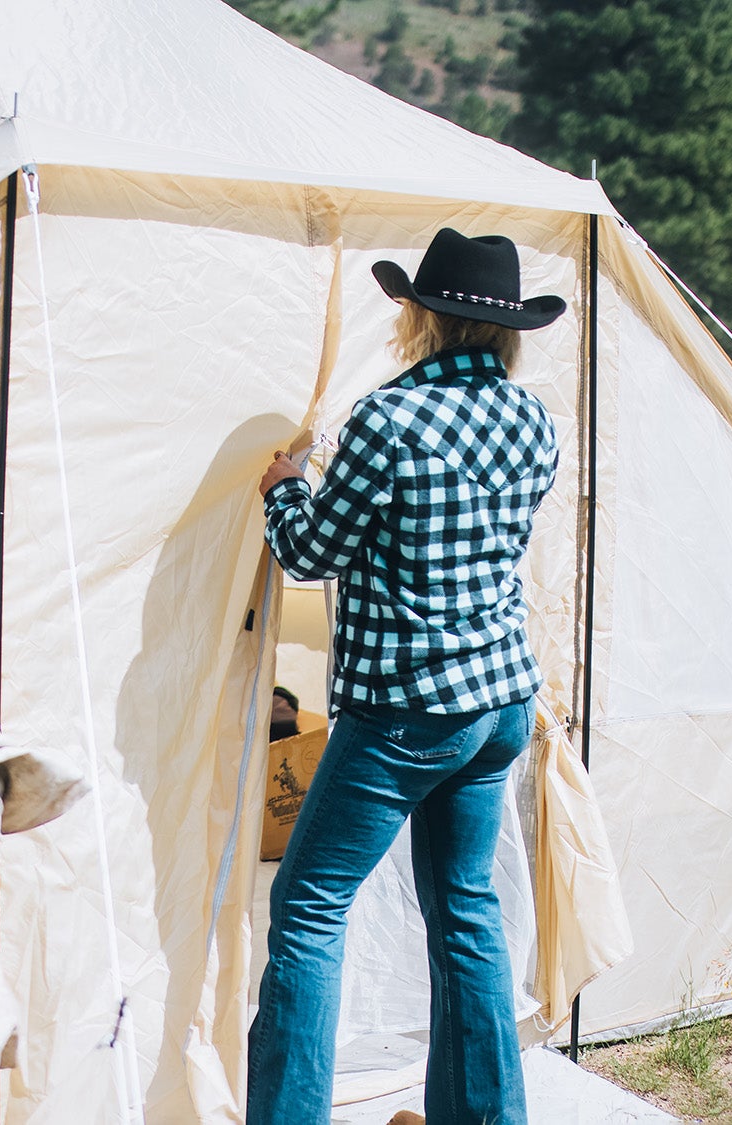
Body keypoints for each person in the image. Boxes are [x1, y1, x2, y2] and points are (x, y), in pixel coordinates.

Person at [248, 227, 564, 1125]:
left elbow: (310, 551)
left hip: (405, 710)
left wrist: (283, 483)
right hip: (499, 699)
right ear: (507, 333)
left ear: (421, 315)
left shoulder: (388, 420)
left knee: (308, 906)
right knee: (466, 915)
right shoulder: (535, 419)